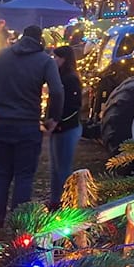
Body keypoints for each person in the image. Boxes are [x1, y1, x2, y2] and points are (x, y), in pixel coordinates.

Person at [0, 25, 63, 228]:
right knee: (24, 176)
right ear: (40, 40)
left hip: (2, 123)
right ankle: (18, 225)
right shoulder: (44, 61)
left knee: (2, 175)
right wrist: (53, 117)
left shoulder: (1, 55)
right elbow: (57, 91)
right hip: (27, 125)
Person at [48, 45, 82, 210]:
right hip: (58, 127)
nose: (54, 60)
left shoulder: (70, 79)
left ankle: (66, 202)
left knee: (63, 168)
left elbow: (73, 106)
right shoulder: (60, 77)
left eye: (57, 58)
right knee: (55, 167)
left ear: (64, 59)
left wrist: (59, 122)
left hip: (67, 128)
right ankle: (55, 200)